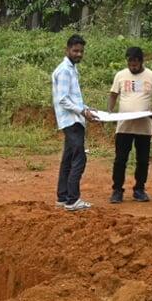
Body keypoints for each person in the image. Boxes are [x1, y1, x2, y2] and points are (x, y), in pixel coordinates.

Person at [107, 46, 152, 203]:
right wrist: (109, 112)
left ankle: (139, 189)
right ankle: (117, 190)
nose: (133, 66)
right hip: (124, 126)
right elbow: (113, 95)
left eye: (136, 64)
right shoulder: (120, 75)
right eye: (130, 63)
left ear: (141, 61)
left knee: (143, 160)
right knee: (120, 159)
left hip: (144, 127)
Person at [51, 34, 97, 210]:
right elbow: (63, 99)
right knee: (79, 158)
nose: (78, 54)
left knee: (68, 159)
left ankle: (63, 197)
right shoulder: (64, 70)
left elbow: (72, 98)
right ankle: (72, 200)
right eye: (75, 50)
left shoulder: (71, 69)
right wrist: (82, 111)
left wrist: (86, 108)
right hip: (71, 121)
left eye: (81, 51)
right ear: (67, 50)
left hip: (74, 119)